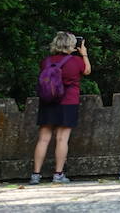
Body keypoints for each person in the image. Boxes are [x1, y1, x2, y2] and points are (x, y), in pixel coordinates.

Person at [30, 32, 89, 185]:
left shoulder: (46, 61)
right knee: (62, 138)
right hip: (68, 102)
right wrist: (84, 55)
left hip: (48, 102)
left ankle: (35, 175)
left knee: (43, 139)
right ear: (71, 45)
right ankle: (58, 174)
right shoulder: (76, 61)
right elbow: (87, 71)